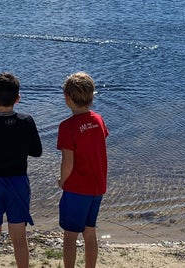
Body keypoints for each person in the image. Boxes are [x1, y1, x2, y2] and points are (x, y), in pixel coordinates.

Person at [0, 72, 43, 268]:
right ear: (18, 98)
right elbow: (37, 151)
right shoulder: (26, 121)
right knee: (19, 236)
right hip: (18, 183)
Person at [56, 72, 109, 268]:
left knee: (70, 236)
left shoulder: (67, 127)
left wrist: (62, 181)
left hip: (77, 189)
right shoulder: (98, 119)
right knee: (89, 231)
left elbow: (67, 163)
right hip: (97, 187)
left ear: (67, 98)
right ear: (91, 96)